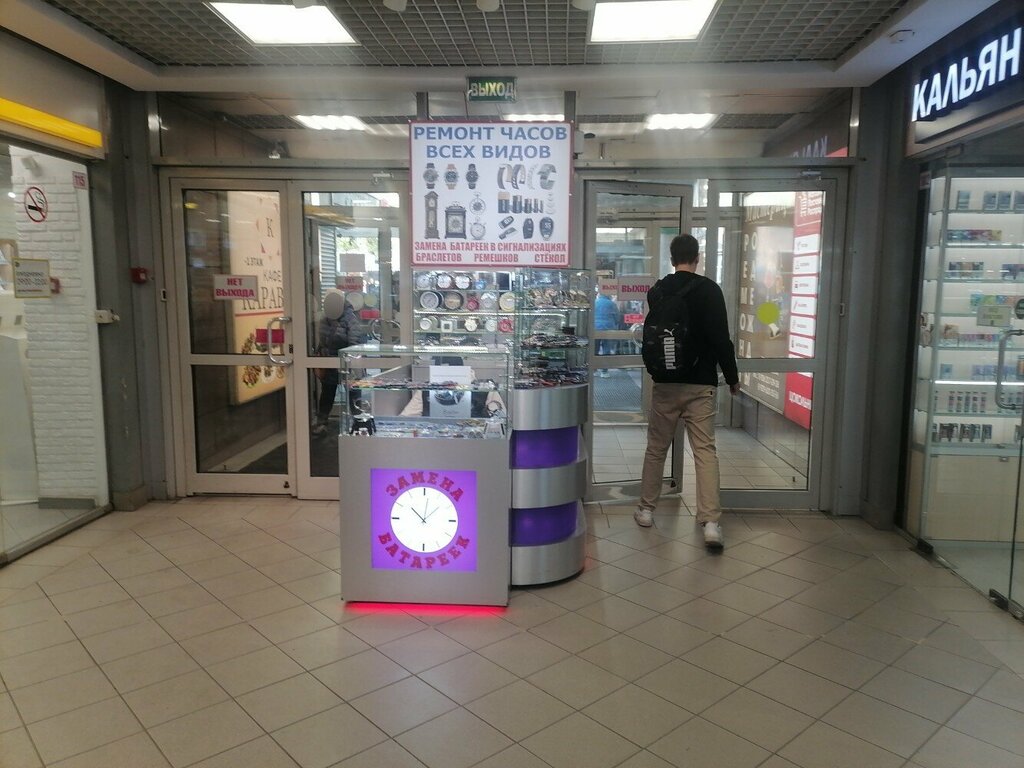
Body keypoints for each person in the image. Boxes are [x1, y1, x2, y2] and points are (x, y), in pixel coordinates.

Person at [635, 234, 739, 550]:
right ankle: (710, 523)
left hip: (665, 382)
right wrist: (732, 377)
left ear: (672, 258)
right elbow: (721, 340)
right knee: (705, 451)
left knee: (657, 447)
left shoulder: (658, 290)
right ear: (697, 257)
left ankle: (646, 510)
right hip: (701, 384)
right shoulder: (710, 291)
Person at [313, 289, 359, 436]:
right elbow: (321, 341)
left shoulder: (350, 318)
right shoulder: (324, 318)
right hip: (330, 362)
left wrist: (351, 361)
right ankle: (322, 422)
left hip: (346, 362)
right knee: (327, 393)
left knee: (353, 393)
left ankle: (358, 422)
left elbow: (354, 342)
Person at [594, 292, 621, 377]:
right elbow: (617, 317)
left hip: (595, 328)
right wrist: (615, 324)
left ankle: (594, 369)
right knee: (606, 349)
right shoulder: (612, 304)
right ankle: (604, 371)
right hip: (608, 328)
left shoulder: (595, 302)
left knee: (595, 349)